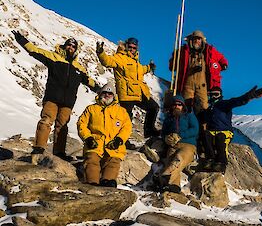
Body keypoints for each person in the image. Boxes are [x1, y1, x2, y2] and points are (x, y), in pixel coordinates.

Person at [12, 30, 99, 163]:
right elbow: (34, 51)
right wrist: (21, 39)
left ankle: (59, 153)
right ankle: (39, 148)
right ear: (64, 46)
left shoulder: (78, 67)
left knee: (62, 126)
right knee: (46, 120)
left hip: (68, 102)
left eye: (73, 46)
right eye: (68, 45)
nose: (70, 48)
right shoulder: (53, 57)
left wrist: (101, 90)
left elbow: (89, 81)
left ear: (76, 50)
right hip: (52, 97)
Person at [96, 38, 160, 142]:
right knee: (126, 120)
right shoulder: (120, 57)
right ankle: (122, 141)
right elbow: (108, 61)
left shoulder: (135, 61)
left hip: (137, 93)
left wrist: (149, 67)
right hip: (126, 94)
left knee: (154, 107)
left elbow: (141, 70)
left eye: (134, 47)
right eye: (130, 47)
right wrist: (100, 53)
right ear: (126, 46)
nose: (132, 49)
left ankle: (149, 131)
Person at [77, 83, 132, 187]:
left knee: (113, 163)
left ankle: (108, 182)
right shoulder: (91, 109)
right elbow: (81, 124)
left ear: (114, 96)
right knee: (91, 160)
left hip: (113, 147)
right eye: (105, 92)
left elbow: (127, 127)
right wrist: (88, 138)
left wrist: (119, 140)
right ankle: (92, 184)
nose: (107, 95)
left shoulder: (121, 111)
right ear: (100, 93)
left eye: (110, 93)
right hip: (95, 144)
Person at [203, 86, 262, 174]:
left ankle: (221, 162)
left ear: (220, 95)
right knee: (206, 135)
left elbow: (236, 101)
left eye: (216, 95)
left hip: (225, 131)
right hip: (212, 131)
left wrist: (250, 96)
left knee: (220, 138)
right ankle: (210, 159)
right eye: (210, 95)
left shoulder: (224, 104)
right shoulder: (209, 110)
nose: (213, 97)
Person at [169, 30, 228, 115]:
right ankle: (185, 126)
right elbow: (173, 65)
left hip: (202, 84)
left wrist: (224, 64)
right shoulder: (183, 51)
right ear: (191, 40)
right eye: (195, 39)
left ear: (202, 40)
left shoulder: (209, 50)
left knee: (204, 106)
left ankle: (203, 127)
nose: (197, 41)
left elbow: (221, 58)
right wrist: (174, 57)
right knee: (186, 106)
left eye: (199, 39)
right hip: (187, 84)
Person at [159, 95, 199, 193]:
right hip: (173, 145)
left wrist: (181, 135)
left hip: (188, 144)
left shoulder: (189, 115)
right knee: (170, 161)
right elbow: (163, 132)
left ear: (183, 106)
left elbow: (195, 129)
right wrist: (166, 138)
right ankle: (174, 186)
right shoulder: (169, 118)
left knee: (179, 158)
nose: (177, 106)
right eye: (175, 104)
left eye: (179, 104)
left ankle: (165, 177)